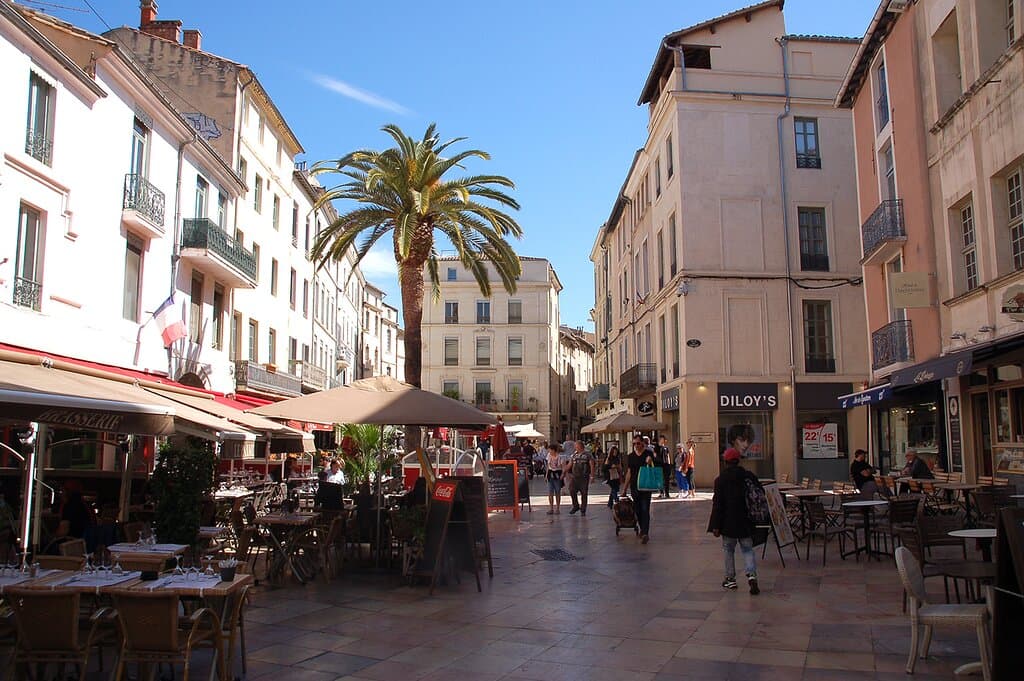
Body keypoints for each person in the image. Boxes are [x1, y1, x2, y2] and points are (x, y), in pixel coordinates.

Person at [708, 426, 760, 595]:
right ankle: (751, 576)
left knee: (728, 550)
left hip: (728, 522)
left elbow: (718, 504)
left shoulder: (720, 480)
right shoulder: (748, 475)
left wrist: (715, 525)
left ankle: (730, 579)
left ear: (725, 462)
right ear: (738, 460)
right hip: (745, 520)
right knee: (747, 549)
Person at [622, 436, 655, 543]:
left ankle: (645, 532)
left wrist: (650, 461)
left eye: (638, 443)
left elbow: (658, 463)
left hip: (646, 486)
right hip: (634, 486)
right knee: (638, 510)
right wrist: (624, 489)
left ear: (643, 444)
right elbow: (629, 472)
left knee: (645, 509)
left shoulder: (648, 453)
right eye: (634, 444)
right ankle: (642, 529)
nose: (636, 445)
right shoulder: (631, 456)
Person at [567, 440, 595, 515]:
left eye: (576, 446)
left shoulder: (588, 455)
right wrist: (564, 471)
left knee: (584, 493)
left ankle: (583, 509)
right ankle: (576, 506)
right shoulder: (574, 455)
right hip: (575, 477)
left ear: (580, 446)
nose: (575, 447)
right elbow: (570, 464)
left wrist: (592, 476)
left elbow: (592, 465)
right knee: (572, 490)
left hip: (584, 477)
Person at [545, 443, 564, 515]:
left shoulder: (560, 457)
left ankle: (558, 508)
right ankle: (551, 508)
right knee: (550, 492)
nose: (549, 452)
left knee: (557, 492)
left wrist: (562, 474)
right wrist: (546, 475)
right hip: (550, 474)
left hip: (557, 474)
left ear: (554, 450)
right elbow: (547, 466)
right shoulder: (549, 456)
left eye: (550, 450)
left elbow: (563, 466)